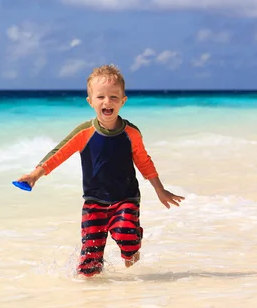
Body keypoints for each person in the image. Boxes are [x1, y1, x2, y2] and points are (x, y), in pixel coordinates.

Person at [16, 64, 184, 277]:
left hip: (126, 198)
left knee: (127, 236)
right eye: (101, 97)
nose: (107, 102)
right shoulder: (84, 132)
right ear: (91, 101)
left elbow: (144, 162)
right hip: (94, 201)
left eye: (114, 97)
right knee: (90, 264)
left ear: (123, 101)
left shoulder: (131, 133)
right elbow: (59, 153)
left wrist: (160, 190)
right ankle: (92, 296)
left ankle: (133, 252)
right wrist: (35, 175)